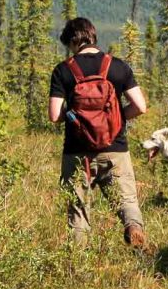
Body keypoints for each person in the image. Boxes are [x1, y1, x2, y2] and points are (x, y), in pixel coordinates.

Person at [47, 16, 151, 251]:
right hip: (115, 148)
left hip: (77, 151)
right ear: (92, 36)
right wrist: (118, 118)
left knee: (78, 206)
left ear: (73, 42)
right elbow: (141, 107)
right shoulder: (117, 66)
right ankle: (133, 228)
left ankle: (78, 259)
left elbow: (54, 115)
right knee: (126, 200)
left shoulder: (64, 70)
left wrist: (75, 118)